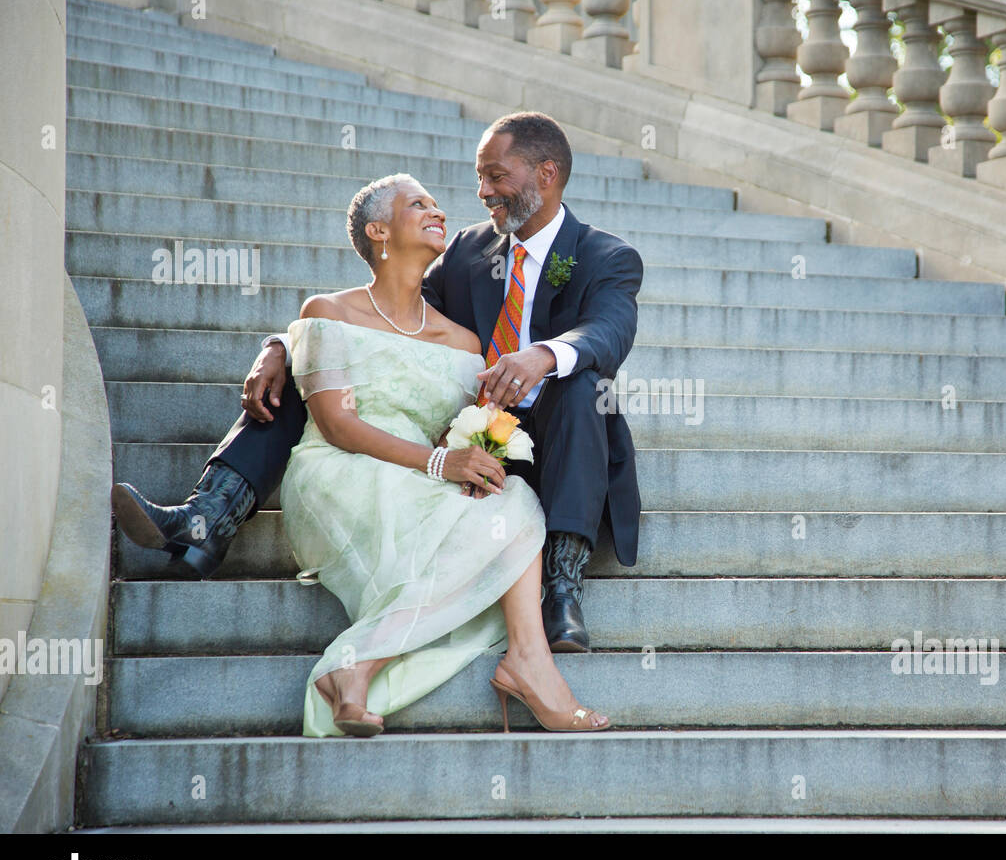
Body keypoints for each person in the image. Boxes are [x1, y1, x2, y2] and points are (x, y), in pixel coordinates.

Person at [112, 112, 642, 653]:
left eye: (496, 176)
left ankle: (562, 589)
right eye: (479, 177)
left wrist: (545, 356)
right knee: (325, 354)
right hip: (457, 433)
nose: (483, 192)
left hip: (553, 446)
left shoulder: (606, 256)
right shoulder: (466, 251)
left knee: (583, 390)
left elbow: (609, 329)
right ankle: (210, 515)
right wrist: (284, 343)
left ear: (546, 174)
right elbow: (383, 320)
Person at [284, 172, 609, 736]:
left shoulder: (461, 340)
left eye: (436, 202)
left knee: (512, 503)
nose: (438, 211)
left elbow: (457, 424)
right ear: (379, 230)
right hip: (341, 471)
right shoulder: (329, 311)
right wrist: (438, 463)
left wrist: (464, 455)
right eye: (418, 204)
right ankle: (366, 666)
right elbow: (336, 424)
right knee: (489, 524)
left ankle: (517, 661)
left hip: (422, 466)